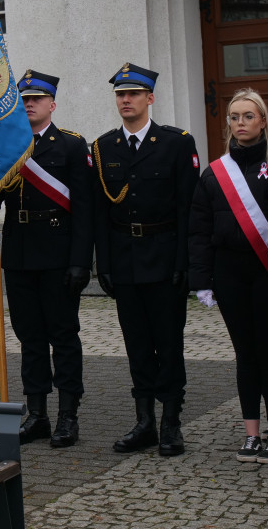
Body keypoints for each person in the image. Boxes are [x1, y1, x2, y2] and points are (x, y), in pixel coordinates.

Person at [93, 63, 199, 456]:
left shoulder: (176, 143)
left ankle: (171, 421)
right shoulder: (103, 148)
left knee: (168, 344)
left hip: (165, 257)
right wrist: (102, 264)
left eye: (133, 94)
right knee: (136, 343)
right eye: (120, 94)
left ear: (149, 98)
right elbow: (101, 214)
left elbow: (188, 209)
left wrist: (185, 263)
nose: (125, 100)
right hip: (124, 261)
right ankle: (145, 423)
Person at [190, 88, 268, 464]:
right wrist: (201, 279)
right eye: (235, 117)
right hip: (229, 273)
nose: (241, 123)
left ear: (262, 120)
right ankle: (251, 433)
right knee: (245, 355)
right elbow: (198, 230)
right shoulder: (214, 174)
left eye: (249, 116)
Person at [1, 70, 93, 448]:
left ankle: (67, 416)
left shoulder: (71, 145)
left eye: (36, 99)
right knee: (29, 338)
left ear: (51, 104)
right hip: (19, 252)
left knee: (63, 336)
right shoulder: (6, 145)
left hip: (57, 251)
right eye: (24, 99)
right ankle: (36, 413)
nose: (29, 104)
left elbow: (85, 209)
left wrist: (80, 262)